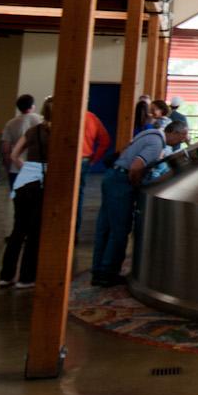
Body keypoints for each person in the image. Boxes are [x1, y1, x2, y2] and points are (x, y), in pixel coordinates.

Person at [91, 117, 188, 287]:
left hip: (112, 177)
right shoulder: (157, 143)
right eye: (182, 136)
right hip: (121, 183)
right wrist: (137, 185)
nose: (182, 140)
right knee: (120, 230)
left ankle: (98, 271)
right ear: (173, 132)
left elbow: (124, 151)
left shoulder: (148, 133)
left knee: (105, 227)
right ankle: (108, 273)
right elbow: (136, 166)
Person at [0, 97, 52, 289]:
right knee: (35, 231)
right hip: (42, 180)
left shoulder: (33, 131)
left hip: (25, 179)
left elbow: (13, 154)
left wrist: (26, 168)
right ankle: (26, 277)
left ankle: (6, 275)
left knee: (18, 229)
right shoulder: (56, 132)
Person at [77, 107, 111, 243]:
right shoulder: (92, 118)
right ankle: (74, 231)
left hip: (64, 159)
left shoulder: (65, 116)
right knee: (78, 196)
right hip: (84, 159)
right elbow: (105, 141)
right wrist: (94, 159)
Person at [0, 95, 42, 193]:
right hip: (35, 168)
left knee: (18, 201)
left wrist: (7, 167)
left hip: (15, 168)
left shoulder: (10, 123)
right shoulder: (40, 121)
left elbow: (5, 149)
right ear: (32, 106)